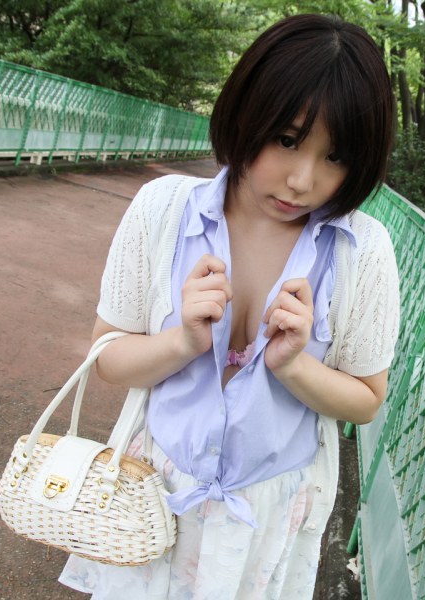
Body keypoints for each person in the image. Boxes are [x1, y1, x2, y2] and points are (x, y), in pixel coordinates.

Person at [59, 13, 400, 599]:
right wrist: (182, 342)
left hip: (267, 519)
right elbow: (107, 356)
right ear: (247, 112)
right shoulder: (163, 210)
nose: (302, 180)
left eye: (335, 157)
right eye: (287, 140)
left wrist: (293, 366)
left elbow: (367, 399)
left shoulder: (361, 251)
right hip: (151, 493)